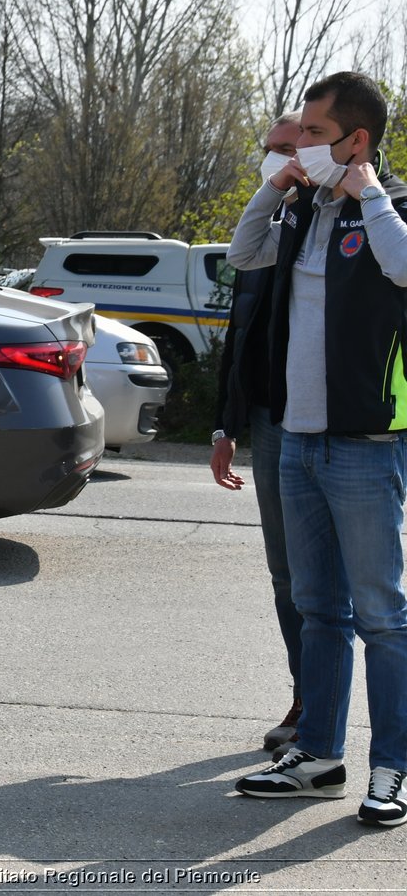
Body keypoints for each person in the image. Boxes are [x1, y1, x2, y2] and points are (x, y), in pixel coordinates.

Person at [227, 71, 407, 828]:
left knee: (383, 616)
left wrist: (370, 194)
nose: (298, 144)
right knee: (318, 609)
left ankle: (393, 766)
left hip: (366, 446)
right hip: (298, 444)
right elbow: (243, 255)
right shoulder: (304, 209)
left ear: (356, 141)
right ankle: (319, 754)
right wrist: (278, 189)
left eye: (312, 134)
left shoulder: (388, 210)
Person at [209, 111, 305, 754]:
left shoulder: (372, 214)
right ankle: (308, 698)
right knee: (287, 575)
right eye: (267, 150)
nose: (273, 160)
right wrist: (226, 425)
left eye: (287, 149)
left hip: (350, 429)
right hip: (273, 420)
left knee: (364, 591)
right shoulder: (270, 228)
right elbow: (240, 336)